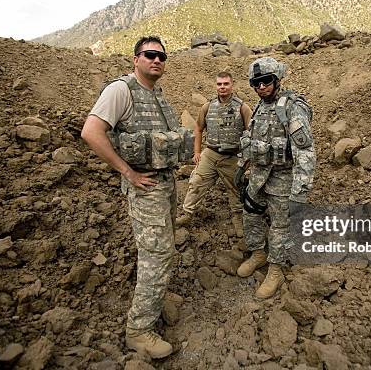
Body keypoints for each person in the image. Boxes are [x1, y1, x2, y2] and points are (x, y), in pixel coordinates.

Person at [81, 36, 190, 359]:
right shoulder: (121, 90)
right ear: (136, 59)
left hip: (164, 183)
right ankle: (139, 330)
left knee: (164, 248)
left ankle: (154, 300)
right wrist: (126, 172)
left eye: (161, 56)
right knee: (156, 254)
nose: (156, 60)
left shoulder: (156, 95)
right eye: (150, 55)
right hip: (145, 187)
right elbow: (91, 132)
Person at [235, 57, 315, 299]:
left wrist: (300, 192)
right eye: (256, 83)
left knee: (280, 226)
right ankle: (258, 253)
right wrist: (242, 166)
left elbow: (305, 152)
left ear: (277, 80)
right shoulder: (259, 106)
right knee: (250, 214)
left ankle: (276, 269)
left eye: (266, 81)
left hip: (282, 177)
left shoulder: (292, 107)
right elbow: (250, 139)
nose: (261, 87)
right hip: (259, 175)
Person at [175, 72, 252, 237]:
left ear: (232, 85)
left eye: (225, 84)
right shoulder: (208, 107)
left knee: (235, 189)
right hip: (210, 153)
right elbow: (198, 128)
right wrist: (197, 151)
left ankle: (237, 217)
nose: (222, 87)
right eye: (219, 84)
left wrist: (248, 158)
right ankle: (187, 214)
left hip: (232, 156)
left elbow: (252, 133)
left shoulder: (242, 107)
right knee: (196, 182)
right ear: (216, 86)